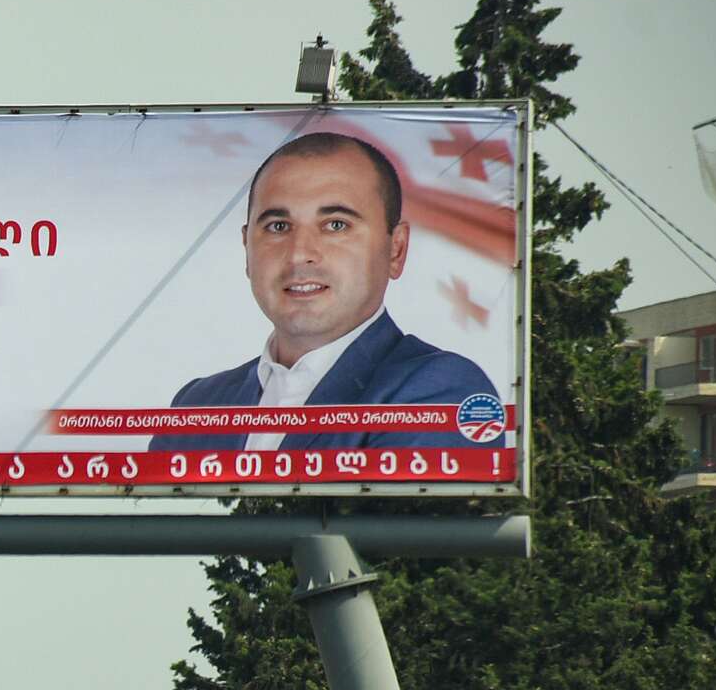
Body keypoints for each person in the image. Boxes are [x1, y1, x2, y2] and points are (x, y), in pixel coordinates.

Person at [149, 131, 500, 452]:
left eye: (335, 225)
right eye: (278, 226)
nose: (300, 253)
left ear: (396, 249)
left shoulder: (441, 392)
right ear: (247, 248)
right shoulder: (198, 406)